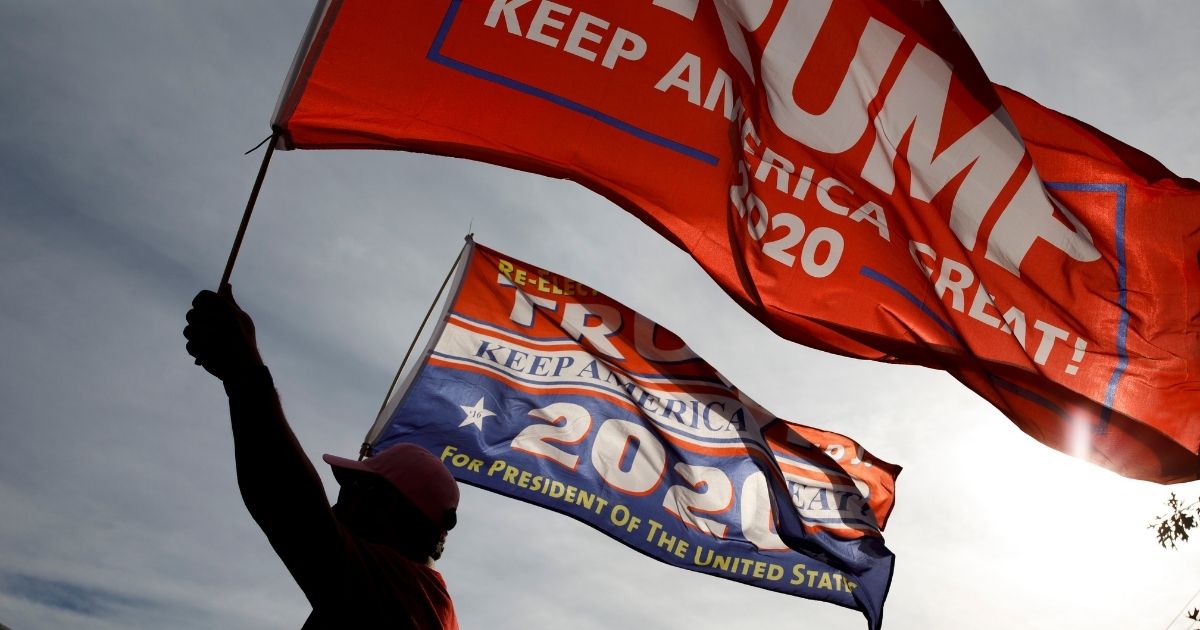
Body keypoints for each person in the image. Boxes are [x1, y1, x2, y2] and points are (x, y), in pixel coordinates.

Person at [184, 285, 460, 629]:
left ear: (384, 505)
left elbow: (292, 511)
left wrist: (242, 371)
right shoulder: (422, 602)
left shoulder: (405, 594)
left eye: (350, 489)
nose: (332, 506)